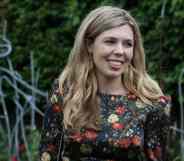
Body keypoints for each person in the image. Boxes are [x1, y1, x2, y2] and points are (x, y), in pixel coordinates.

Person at [39, 6, 171, 161]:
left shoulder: (152, 102)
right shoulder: (65, 92)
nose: (120, 51)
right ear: (89, 45)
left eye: (128, 44)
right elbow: (47, 154)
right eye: (110, 41)